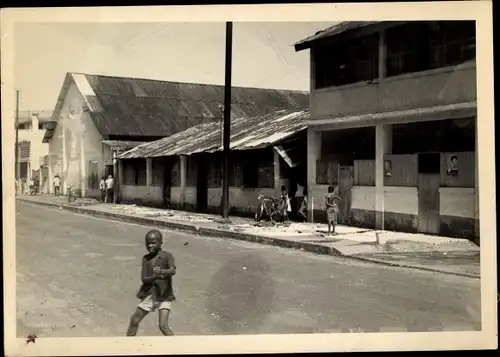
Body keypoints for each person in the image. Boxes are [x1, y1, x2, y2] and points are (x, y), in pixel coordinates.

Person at [127, 229, 176, 336]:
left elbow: (173, 270)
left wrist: (163, 272)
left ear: (160, 243)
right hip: (150, 295)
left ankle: (177, 349)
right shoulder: (146, 259)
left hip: (164, 295)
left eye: (153, 243)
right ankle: (127, 346)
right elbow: (144, 279)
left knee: (163, 326)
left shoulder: (167, 256)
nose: (150, 246)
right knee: (134, 320)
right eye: (148, 243)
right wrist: (155, 277)